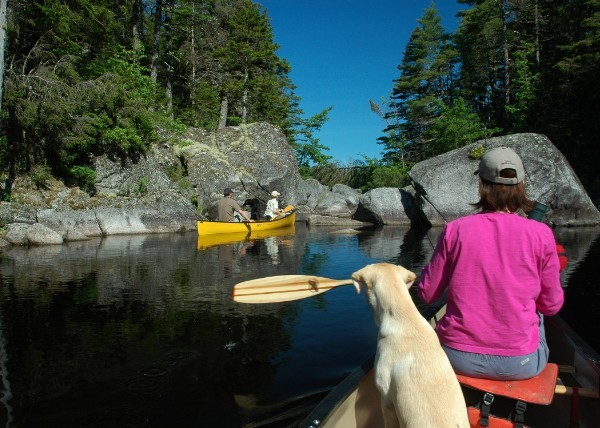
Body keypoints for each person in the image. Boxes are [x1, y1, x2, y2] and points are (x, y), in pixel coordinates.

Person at [418, 146, 564, 381]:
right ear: (521, 185)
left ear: (482, 185)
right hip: (522, 364)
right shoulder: (541, 233)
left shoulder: (455, 229)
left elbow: (427, 294)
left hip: (456, 358)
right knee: (539, 315)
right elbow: (551, 306)